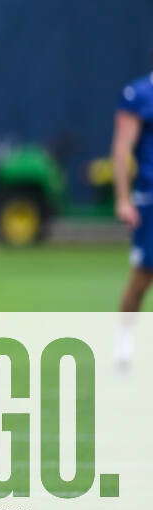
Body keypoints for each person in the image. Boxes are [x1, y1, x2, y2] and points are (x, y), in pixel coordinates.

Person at [112, 70, 153, 367]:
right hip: (150, 196)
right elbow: (122, 148)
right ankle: (124, 344)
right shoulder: (138, 94)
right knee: (143, 277)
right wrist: (123, 199)